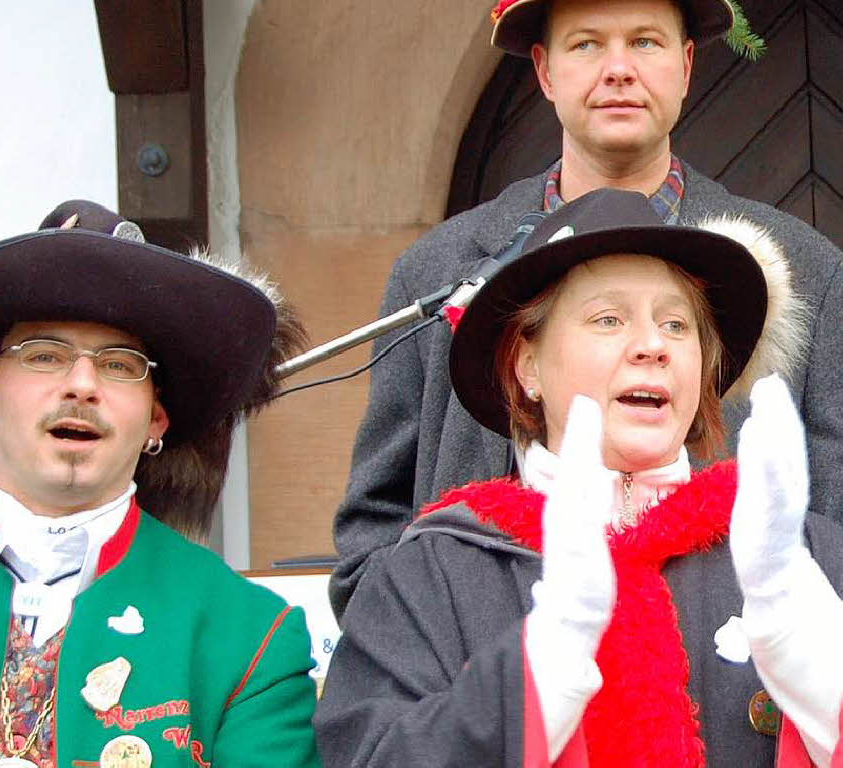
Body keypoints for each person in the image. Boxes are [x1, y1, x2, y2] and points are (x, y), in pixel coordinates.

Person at [330, 0, 843, 619]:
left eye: (646, 42)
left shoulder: (810, 271)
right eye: (587, 44)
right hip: (495, 685)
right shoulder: (436, 271)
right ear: (545, 73)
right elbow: (373, 535)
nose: (619, 68)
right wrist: (437, 661)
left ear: (686, 66)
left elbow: (832, 520)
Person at [316, 188, 843, 767]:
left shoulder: (804, 561)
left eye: (676, 324)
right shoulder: (427, 577)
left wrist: (824, 689)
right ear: (527, 365)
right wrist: (546, 668)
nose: (652, 346)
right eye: (608, 318)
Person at [0, 201, 319, 767]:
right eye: (44, 355)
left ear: (156, 417)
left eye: (119, 365)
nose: (81, 385)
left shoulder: (250, 638)